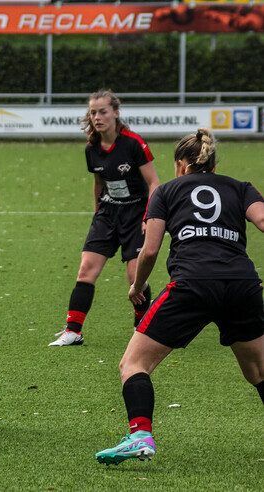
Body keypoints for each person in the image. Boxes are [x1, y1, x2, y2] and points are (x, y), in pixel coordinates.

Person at [95, 128, 264, 465]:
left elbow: (150, 250)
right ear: (213, 166)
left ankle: (140, 435)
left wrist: (138, 286)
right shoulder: (240, 188)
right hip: (241, 283)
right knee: (259, 372)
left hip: (193, 283)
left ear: (181, 165)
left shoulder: (167, 191)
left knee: (133, 363)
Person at [50, 89, 160, 346]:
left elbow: (154, 182)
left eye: (103, 111)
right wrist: (97, 212)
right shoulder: (92, 149)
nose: (97, 117)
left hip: (136, 213)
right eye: (93, 112)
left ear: (115, 113)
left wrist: (150, 216)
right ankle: (73, 330)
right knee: (86, 269)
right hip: (108, 213)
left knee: (135, 276)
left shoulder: (134, 143)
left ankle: (143, 328)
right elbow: (99, 182)